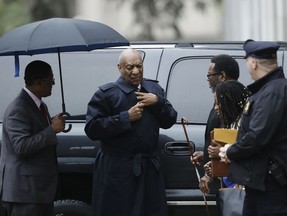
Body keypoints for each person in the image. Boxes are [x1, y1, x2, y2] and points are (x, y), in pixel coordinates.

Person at [85, 48, 177, 216]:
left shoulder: (154, 89)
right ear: (119, 68)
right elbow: (92, 129)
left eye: (139, 66)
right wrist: (125, 118)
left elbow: (170, 120)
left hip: (149, 168)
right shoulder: (106, 94)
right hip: (118, 170)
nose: (136, 71)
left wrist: (157, 102)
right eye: (130, 67)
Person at [219, 39, 287, 216]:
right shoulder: (268, 90)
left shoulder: (272, 92)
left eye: (247, 61)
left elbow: (257, 136)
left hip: (271, 187)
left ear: (253, 63)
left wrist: (231, 151)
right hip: (260, 184)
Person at [0, 60, 65, 216]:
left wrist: (51, 124)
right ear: (39, 82)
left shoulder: (40, 105)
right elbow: (21, 146)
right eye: (51, 79)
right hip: (25, 193)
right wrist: (51, 130)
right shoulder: (18, 108)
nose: (53, 83)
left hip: (39, 191)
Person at [192, 54, 240, 194]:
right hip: (221, 178)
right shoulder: (221, 99)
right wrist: (206, 155)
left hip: (230, 183)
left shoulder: (232, 105)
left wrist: (209, 175)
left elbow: (232, 145)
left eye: (209, 75)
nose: (208, 80)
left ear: (222, 76)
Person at [201, 80, 250, 190]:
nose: (216, 108)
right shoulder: (231, 124)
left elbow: (247, 155)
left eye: (218, 103)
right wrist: (214, 167)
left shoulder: (245, 124)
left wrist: (222, 152)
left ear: (230, 102)